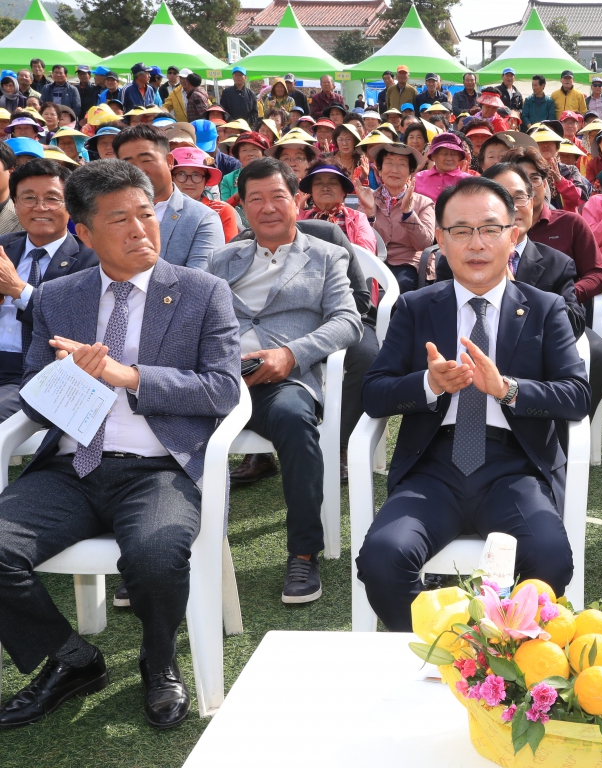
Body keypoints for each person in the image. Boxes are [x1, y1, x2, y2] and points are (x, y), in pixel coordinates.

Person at [0, 158, 240, 730]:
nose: (139, 230)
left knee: (155, 555)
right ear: (84, 233)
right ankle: (71, 658)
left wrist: (129, 377)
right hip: (71, 467)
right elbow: (32, 398)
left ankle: (159, 662)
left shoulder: (203, 292)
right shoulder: (60, 297)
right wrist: (70, 378)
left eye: (145, 215)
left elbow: (224, 389)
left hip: (160, 467)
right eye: (119, 220)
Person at [355, 176, 589, 631]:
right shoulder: (417, 307)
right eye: (460, 231)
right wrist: (429, 383)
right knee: (383, 560)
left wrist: (508, 389)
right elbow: (374, 392)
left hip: (514, 466)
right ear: (439, 239)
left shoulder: (544, 308)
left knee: (549, 560)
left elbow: (576, 396)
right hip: (434, 466)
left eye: (490, 229)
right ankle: (451, 657)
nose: (476, 243)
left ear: (513, 235)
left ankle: (499, 661)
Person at [210, 157, 362, 600]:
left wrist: (291, 354)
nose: (268, 207)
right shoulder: (221, 259)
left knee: (296, 422)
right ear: (242, 207)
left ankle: (302, 554)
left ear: (296, 201)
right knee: (155, 413)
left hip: (283, 381)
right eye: (255, 199)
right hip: (220, 378)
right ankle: (156, 555)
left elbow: (348, 322)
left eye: (277, 196)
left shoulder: (328, 254)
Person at [435, 163, 586, 338]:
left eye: (519, 197)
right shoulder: (458, 257)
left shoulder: (558, 264)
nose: (512, 207)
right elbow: (439, 315)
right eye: (502, 198)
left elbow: (574, 325)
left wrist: (515, 292)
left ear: (532, 202)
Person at [0, 159, 99, 420]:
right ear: (16, 204)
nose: (40, 207)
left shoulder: (92, 258)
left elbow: (75, 326)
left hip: (39, 371)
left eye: (52, 198)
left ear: (71, 205)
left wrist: (18, 289)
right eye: (28, 198)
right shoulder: (3, 247)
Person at [504, 147, 602, 306]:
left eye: (534, 178)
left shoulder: (570, 224)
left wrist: (565, 296)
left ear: (545, 184)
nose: (528, 186)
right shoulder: (494, 229)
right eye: (520, 179)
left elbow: (597, 275)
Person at [113, 125, 223, 271]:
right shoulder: (109, 214)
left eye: (146, 160)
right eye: (128, 163)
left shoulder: (202, 218)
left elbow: (201, 285)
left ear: (169, 161)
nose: (139, 170)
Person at [359, 142, 434, 291]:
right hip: (373, 260)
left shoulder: (424, 202)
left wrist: (408, 213)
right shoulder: (368, 198)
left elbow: (424, 244)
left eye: (401, 164)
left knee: (400, 285)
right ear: (379, 170)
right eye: (389, 163)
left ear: (410, 172)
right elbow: (361, 240)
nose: (394, 170)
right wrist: (369, 214)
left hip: (407, 262)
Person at [296, 164, 375, 252]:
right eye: (318, 183)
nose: (325, 188)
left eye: (332, 183)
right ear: (311, 192)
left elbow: (366, 255)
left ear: (343, 191)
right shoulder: (300, 218)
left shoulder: (358, 219)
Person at [169, 147, 239, 242]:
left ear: (206, 180)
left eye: (196, 175)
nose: (189, 182)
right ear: (171, 177)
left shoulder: (222, 211)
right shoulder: (159, 208)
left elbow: (230, 252)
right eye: (181, 174)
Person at [413, 131, 472, 201]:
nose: (449, 158)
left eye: (454, 154)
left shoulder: (468, 180)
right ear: (433, 156)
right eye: (444, 154)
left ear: (459, 157)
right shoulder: (419, 178)